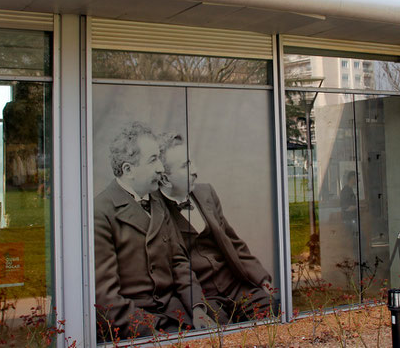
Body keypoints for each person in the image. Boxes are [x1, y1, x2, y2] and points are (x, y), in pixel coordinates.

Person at [93, 122, 211, 340]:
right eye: (153, 160)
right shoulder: (101, 211)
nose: (160, 168)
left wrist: (198, 308)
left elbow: (179, 262)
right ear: (128, 169)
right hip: (139, 326)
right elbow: (106, 298)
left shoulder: (157, 201)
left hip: (177, 315)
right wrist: (151, 334)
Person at [158, 133, 273, 324]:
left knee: (267, 312)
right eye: (185, 166)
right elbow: (174, 269)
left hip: (235, 285)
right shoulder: (156, 211)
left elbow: (232, 240)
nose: (195, 170)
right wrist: (198, 306)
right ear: (164, 179)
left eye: (192, 162)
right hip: (204, 295)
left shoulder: (205, 193)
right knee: (218, 333)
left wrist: (261, 277)